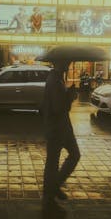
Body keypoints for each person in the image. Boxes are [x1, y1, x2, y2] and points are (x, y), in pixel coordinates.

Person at [42, 59, 80, 210]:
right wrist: (70, 96)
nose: (68, 65)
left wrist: (68, 93)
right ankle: (52, 189)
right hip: (57, 128)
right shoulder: (55, 81)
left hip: (61, 127)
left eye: (69, 63)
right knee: (57, 161)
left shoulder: (56, 78)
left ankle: (52, 188)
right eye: (66, 63)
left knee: (56, 161)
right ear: (58, 63)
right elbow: (59, 108)